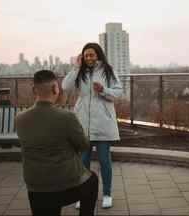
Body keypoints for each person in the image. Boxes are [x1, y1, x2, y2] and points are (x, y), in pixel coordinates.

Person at [15, 70, 98, 216]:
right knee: (92, 181)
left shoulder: (20, 118)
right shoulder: (67, 117)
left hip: (35, 185)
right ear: (55, 89)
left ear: (34, 90)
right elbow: (84, 145)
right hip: (65, 184)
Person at [62, 42, 123, 209]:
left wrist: (103, 90)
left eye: (92, 55)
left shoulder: (107, 71)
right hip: (83, 124)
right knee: (83, 162)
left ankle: (107, 194)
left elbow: (118, 92)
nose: (89, 58)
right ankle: (82, 196)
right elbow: (65, 87)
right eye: (86, 55)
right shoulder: (79, 72)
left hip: (102, 123)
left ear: (98, 55)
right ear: (83, 57)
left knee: (104, 161)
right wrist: (75, 67)